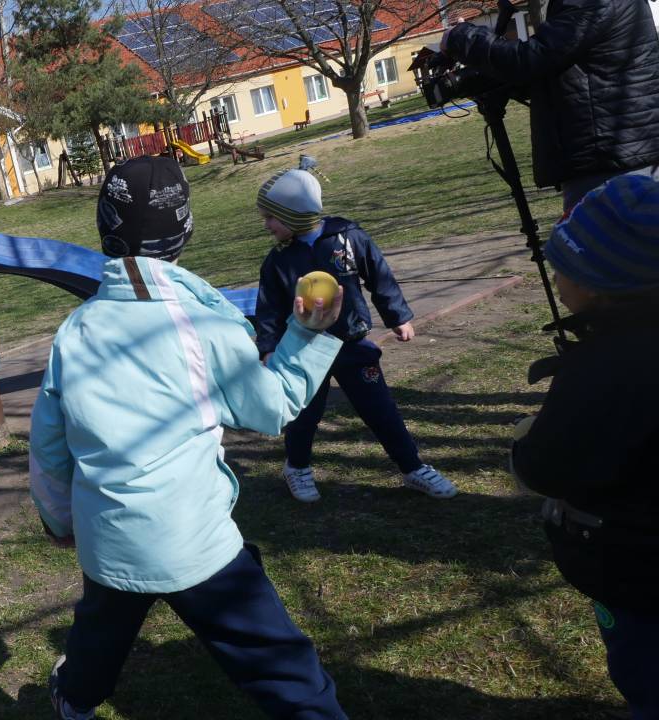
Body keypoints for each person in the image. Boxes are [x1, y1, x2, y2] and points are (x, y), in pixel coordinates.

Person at [30, 156, 349, 720]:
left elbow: (49, 448)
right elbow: (272, 406)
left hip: (109, 539)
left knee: (100, 632)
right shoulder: (205, 325)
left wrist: (59, 522)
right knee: (277, 661)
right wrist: (306, 334)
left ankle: (74, 698)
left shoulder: (75, 330)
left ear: (105, 230)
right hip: (193, 541)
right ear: (184, 231)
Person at [510, 173, 659, 718]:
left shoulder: (604, 368)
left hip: (640, 573)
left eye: (560, 267)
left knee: (645, 673)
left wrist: (523, 443)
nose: (554, 279)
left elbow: (548, 467)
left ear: (596, 283)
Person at [254, 169, 458, 503]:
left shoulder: (348, 237)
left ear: (293, 212)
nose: (266, 225)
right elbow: (269, 309)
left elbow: (379, 275)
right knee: (304, 414)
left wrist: (398, 317)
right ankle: (297, 467)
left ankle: (412, 467)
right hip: (304, 351)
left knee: (381, 409)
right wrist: (268, 348)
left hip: (352, 344)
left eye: (270, 217)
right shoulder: (278, 260)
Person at [438, 0, 659, 211]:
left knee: (595, 236)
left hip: (610, 160)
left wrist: (461, 37)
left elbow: (530, 59)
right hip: (614, 153)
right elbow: (562, 68)